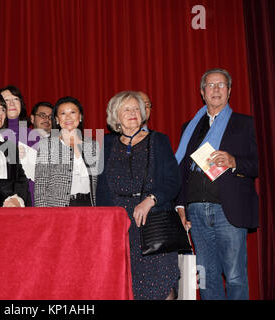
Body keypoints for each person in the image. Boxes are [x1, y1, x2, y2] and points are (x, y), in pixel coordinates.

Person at [175, 68, 259, 300]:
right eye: (210, 85)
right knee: (207, 277)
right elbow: (181, 170)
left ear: (229, 91)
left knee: (234, 277)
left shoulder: (246, 123)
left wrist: (234, 161)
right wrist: (180, 207)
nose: (216, 89)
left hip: (229, 209)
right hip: (197, 211)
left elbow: (259, 164)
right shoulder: (190, 127)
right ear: (202, 92)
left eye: (221, 85)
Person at [96, 91, 180, 300]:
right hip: (120, 226)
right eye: (127, 109)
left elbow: (173, 180)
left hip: (154, 222)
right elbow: (101, 188)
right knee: (127, 287)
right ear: (116, 115)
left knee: (162, 285)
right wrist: (109, 220)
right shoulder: (105, 144)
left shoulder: (158, 140)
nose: (133, 112)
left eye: (137, 109)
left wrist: (151, 199)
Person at [35, 96, 99, 207]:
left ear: (80, 117)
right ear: (57, 119)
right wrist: (43, 215)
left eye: (73, 112)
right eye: (63, 113)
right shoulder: (47, 146)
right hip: (58, 209)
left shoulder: (92, 146)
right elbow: (41, 186)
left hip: (88, 206)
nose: (68, 117)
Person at [0, 85, 35, 204]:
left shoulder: (35, 136)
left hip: (31, 197)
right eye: (6, 100)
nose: (12, 103)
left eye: (15, 99)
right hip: (2, 199)